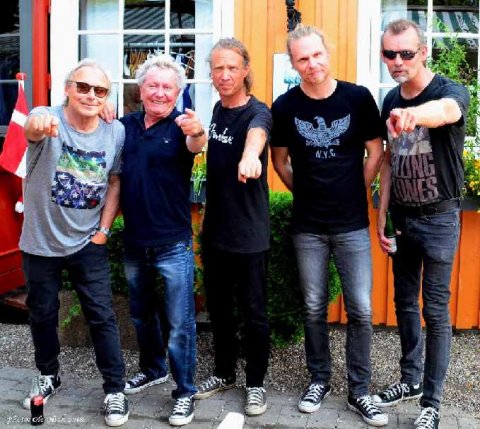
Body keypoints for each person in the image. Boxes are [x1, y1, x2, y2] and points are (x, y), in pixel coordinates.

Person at [270, 25, 388, 427]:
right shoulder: (286, 106)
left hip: (352, 224)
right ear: (293, 63)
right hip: (308, 226)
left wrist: (357, 187)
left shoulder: (357, 98)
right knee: (314, 306)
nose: (312, 64)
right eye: (302, 58)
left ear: (328, 52)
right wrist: (302, 191)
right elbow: (280, 161)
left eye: (316, 55)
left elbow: (376, 151)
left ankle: (360, 390)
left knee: (361, 308)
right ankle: (318, 379)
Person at [20, 59, 128, 427]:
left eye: (100, 90)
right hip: (40, 242)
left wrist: (103, 231)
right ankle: (48, 374)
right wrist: (37, 125)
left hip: (87, 242)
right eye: (83, 87)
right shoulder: (46, 117)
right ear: (67, 88)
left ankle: (115, 389)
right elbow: (32, 126)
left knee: (102, 315)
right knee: (42, 313)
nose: (91, 95)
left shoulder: (115, 132)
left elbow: (115, 181)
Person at [374, 19, 469, 429]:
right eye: (390, 54)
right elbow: (389, 162)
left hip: (440, 218)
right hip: (402, 219)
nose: (398, 61)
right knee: (404, 304)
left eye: (407, 53)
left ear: (423, 52)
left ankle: (432, 403)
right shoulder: (389, 100)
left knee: (436, 310)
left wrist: (414, 114)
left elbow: (447, 112)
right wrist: (381, 213)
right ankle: (410, 380)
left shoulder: (449, 90)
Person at [119, 55, 207, 427]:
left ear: (177, 92)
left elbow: (197, 143)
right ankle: (154, 368)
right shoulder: (124, 126)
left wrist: (198, 132)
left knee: (180, 322)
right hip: (135, 240)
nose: (159, 92)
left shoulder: (182, 125)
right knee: (141, 314)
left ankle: (185, 392)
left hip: (173, 243)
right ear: (140, 90)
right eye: (152, 85)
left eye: (167, 87)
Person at [194, 38, 272, 417]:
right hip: (216, 233)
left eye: (231, 68)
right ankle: (224, 372)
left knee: (254, 312)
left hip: (250, 234)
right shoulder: (216, 110)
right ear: (211, 74)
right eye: (218, 68)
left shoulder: (258, 112)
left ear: (245, 71)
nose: (224, 75)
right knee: (220, 310)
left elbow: (257, 135)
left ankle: (255, 384)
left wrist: (250, 156)